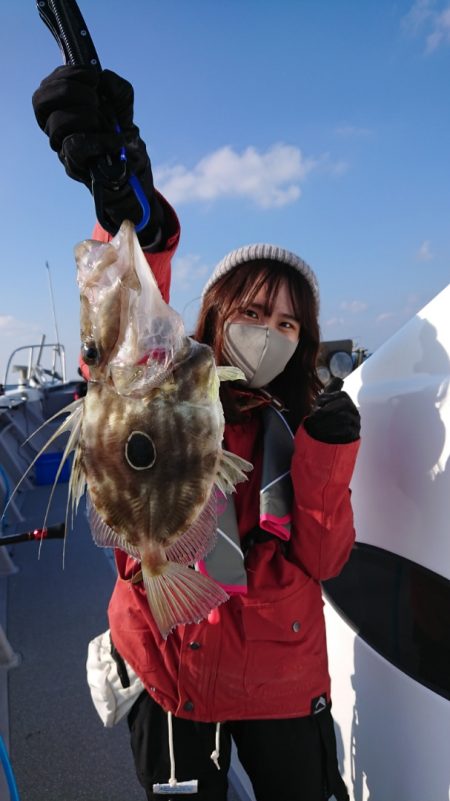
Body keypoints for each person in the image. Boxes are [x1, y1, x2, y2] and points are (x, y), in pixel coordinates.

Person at [33, 66, 361, 801]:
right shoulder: (179, 381)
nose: (269, 334)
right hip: (169, 667)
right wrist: (132, 219)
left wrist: (328, 455)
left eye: (287, 323)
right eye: (252, 314)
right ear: (214, 315)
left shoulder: (302, 418)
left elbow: (325, 554)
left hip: (280, 674)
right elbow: (123, 342)